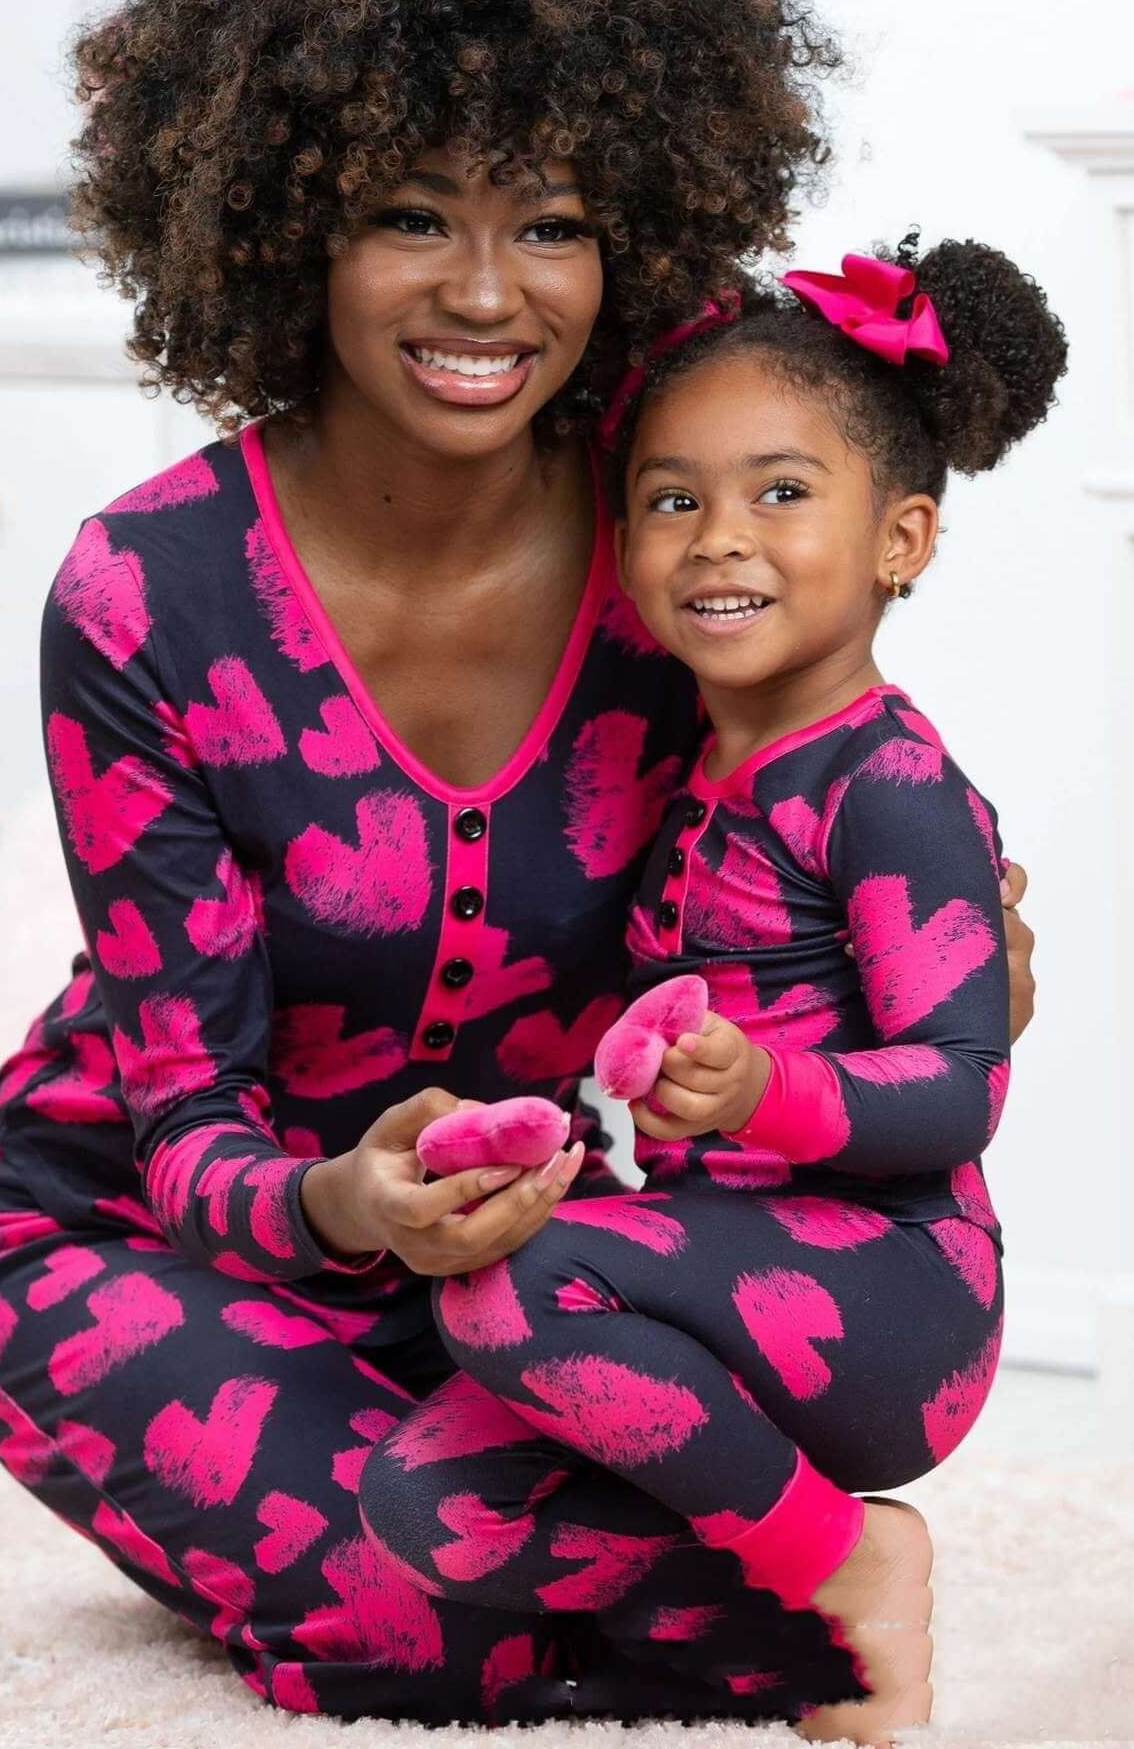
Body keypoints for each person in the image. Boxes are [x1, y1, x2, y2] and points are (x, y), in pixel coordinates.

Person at [0, 0, 1038, 1726]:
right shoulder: (147, 593)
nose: (490, 292)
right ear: (288, 231)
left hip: (544, 1253)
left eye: (556, 222)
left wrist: (963, 967)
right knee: (400, 1592)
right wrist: (340, 1210)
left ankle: (712, 1551)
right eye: (411, 217)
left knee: (483, 1504)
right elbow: (181, 1103)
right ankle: (772, 1579)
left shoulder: (672, 541)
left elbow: (841, 827)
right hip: (159, 1227)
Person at [356, 235, 1067, 1742]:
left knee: (514, 1288)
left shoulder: (888, 786)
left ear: (903, 540)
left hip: (898, 1286)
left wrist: (766, 1091)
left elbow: (960, 1085)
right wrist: (545, 1138)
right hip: (730, 1269)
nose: (718, 538)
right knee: (424, 1501)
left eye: (781, 494)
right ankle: (802, 1627)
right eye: (674, 500)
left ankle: (851, 1557)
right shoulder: (698, 778)